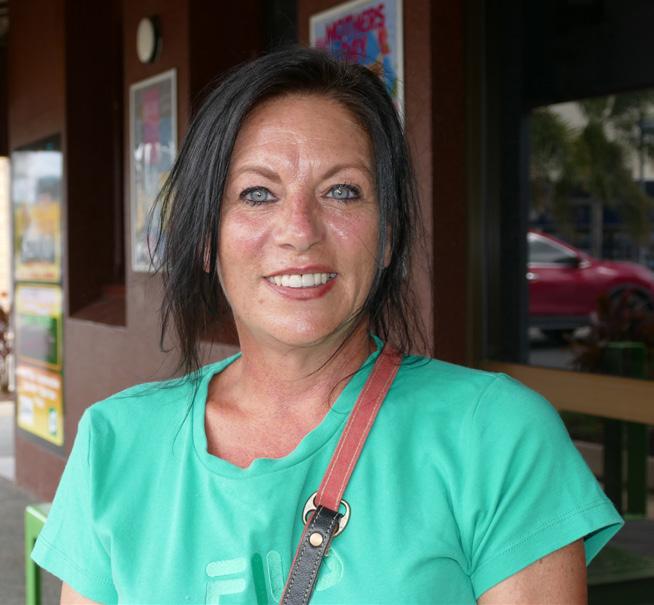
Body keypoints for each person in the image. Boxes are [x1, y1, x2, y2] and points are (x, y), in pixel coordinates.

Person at [33, 47, 622, 605]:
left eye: (342, 191)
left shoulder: (496, 436)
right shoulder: (115, 442)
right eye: (257, 193)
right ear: (207, 238)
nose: (300, 230)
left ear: (388, 235)